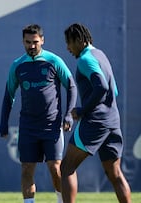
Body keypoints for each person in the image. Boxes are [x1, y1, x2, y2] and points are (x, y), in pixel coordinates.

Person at [0, 24, 77, 203]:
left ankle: (60, 200)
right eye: (27, 42)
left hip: (51, 126)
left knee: (55, 168)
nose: (31, 46)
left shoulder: (54, 61)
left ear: (42, 40)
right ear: (23, 42)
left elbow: (71, 86)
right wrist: (3, 122)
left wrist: (68, 115)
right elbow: (8, 95)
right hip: (28, 126)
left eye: (35, 42)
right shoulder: (18, 65)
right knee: (26, 169)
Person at [61, 23, 131, 203]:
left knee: (67, 167)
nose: (68, 48)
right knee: (114, 174)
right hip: (112, 121)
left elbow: (102, 87)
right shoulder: (100, 55)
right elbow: (113, 91)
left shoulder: (85, 59)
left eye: (69, 43)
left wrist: (83, 110)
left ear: (80, 40)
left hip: (96, 122)